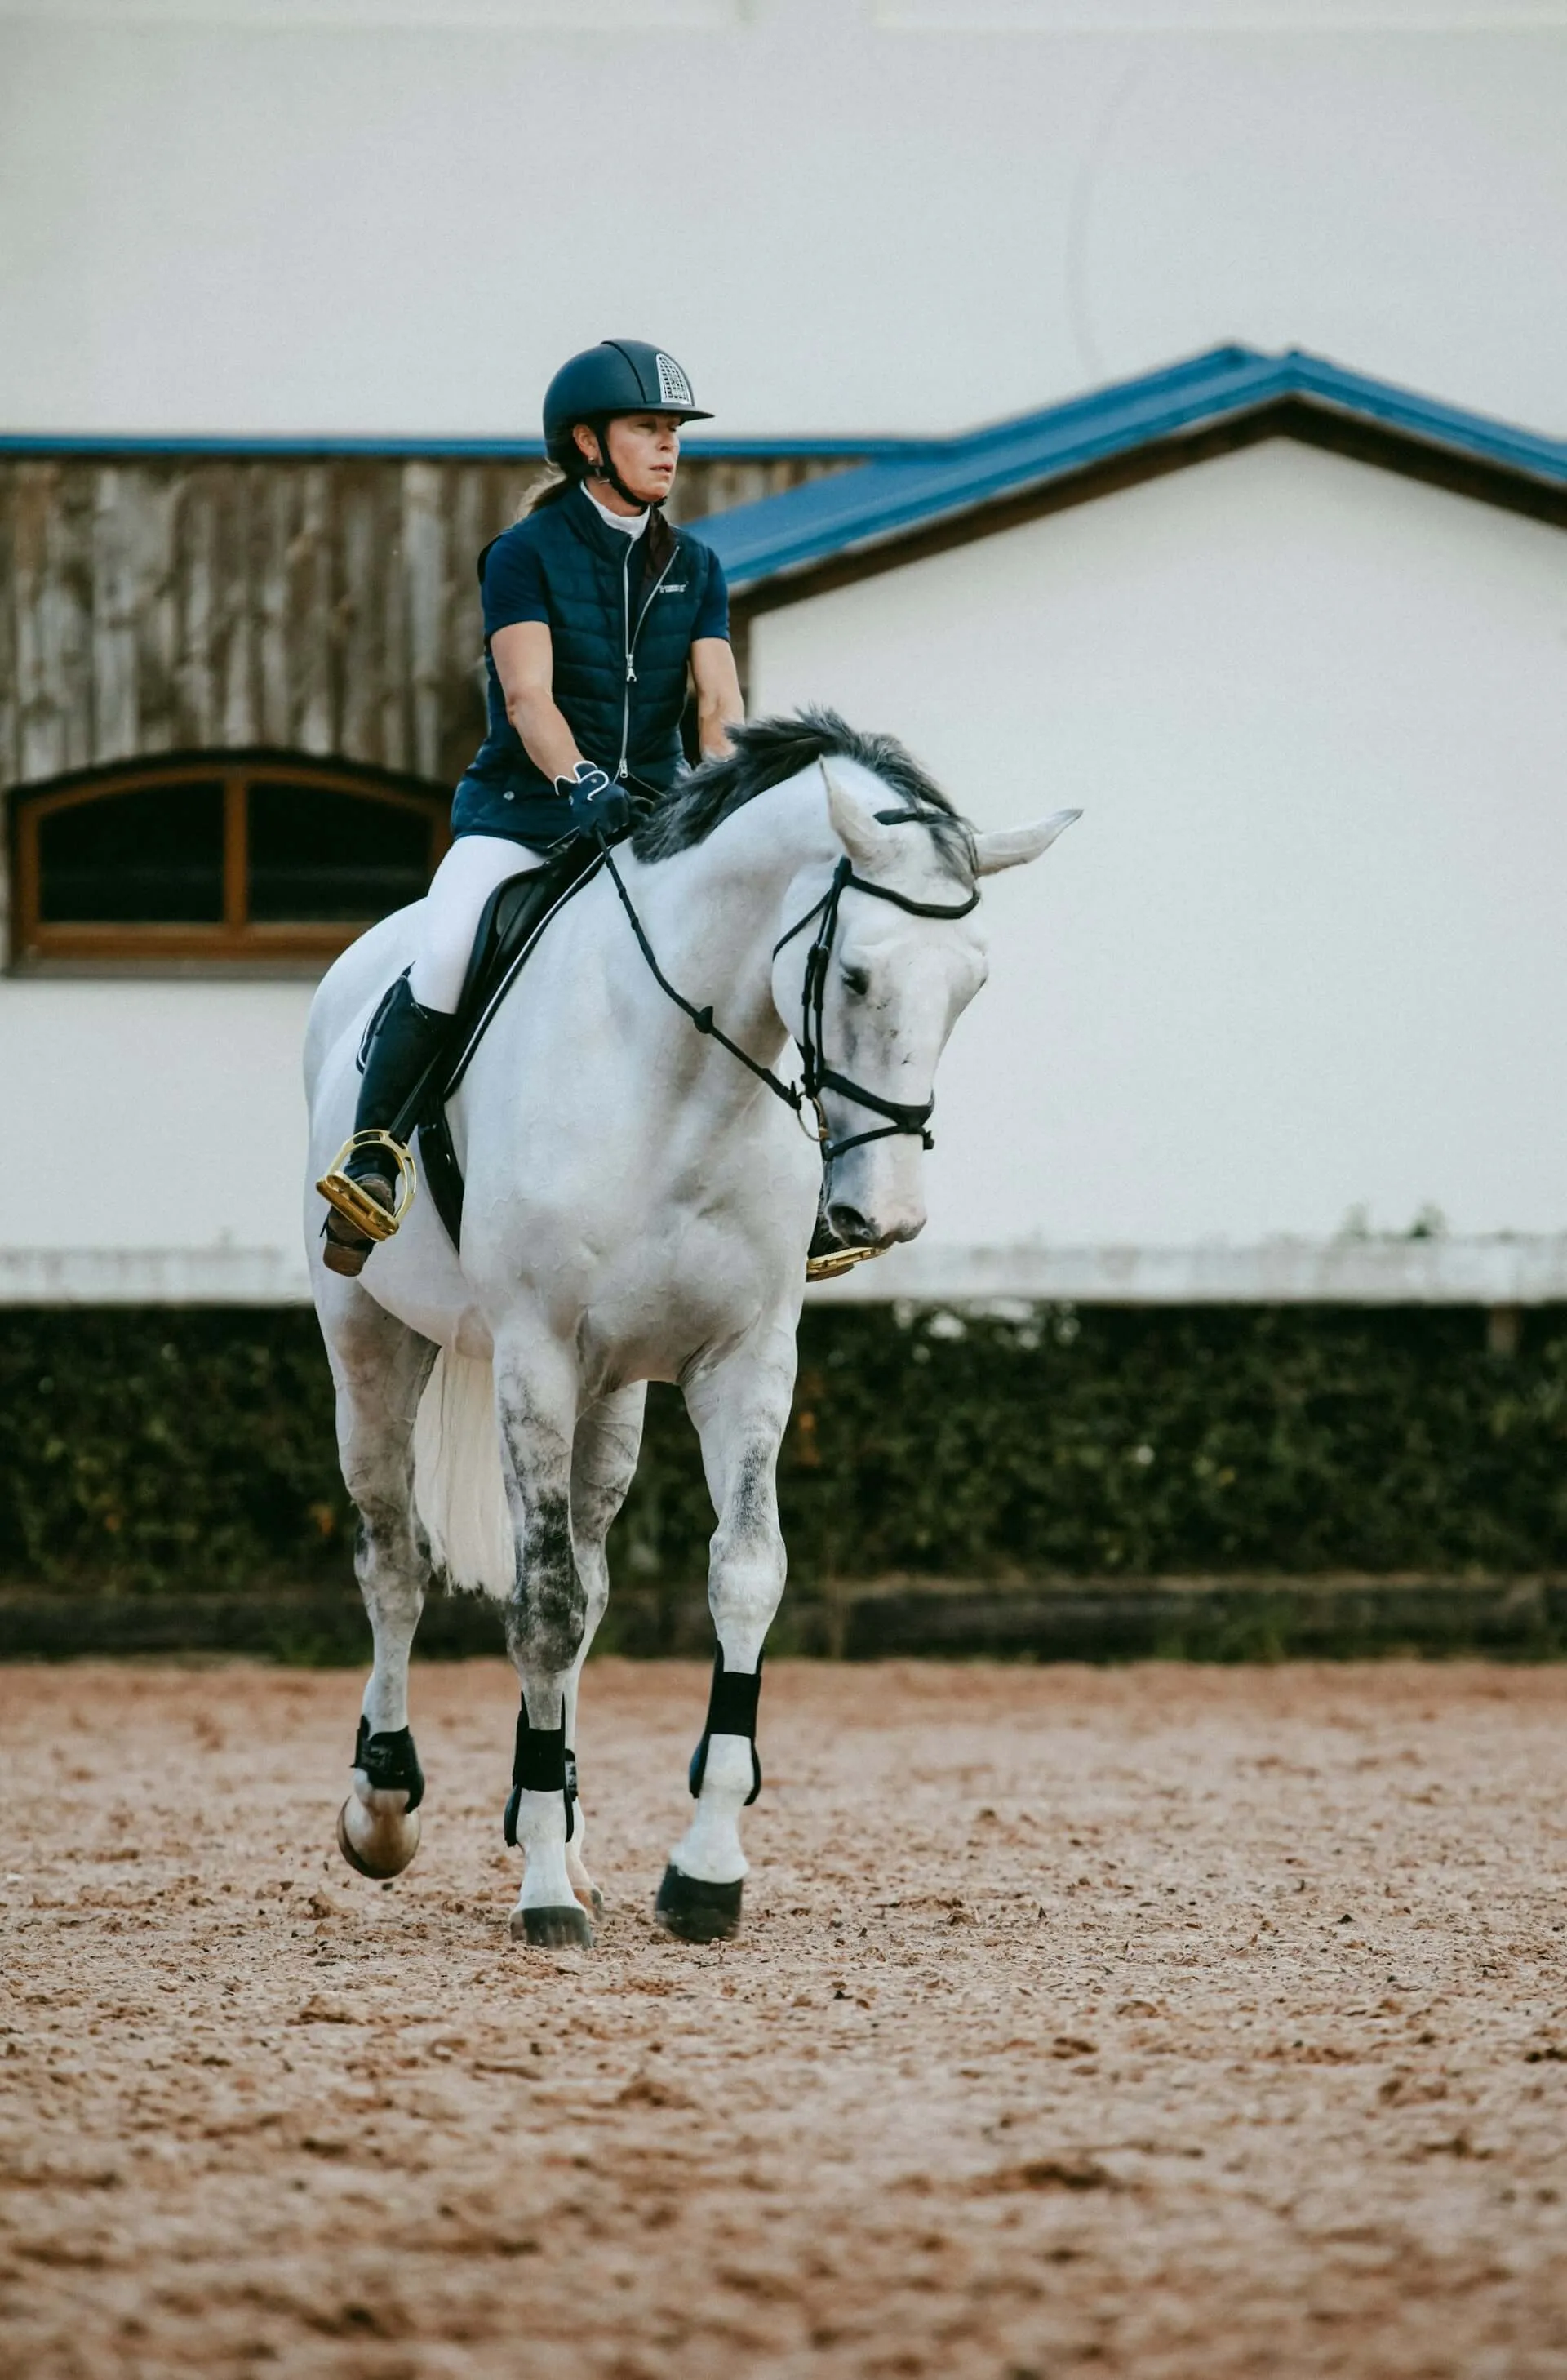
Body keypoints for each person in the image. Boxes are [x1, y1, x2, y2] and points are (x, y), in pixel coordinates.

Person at [318, 340, 744, 1275]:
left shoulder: (698, 565)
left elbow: (718, 706)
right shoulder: (523, 556)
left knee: (752, 951)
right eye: (649, 429)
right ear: (589, 444)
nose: (670, 448)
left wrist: (721, 796)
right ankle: (375, 1156)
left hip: (657, 818)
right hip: (525, 812)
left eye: (675, 432)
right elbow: (529, 699)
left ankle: (797, 1188)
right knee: (447, 945)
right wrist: (581, 785)